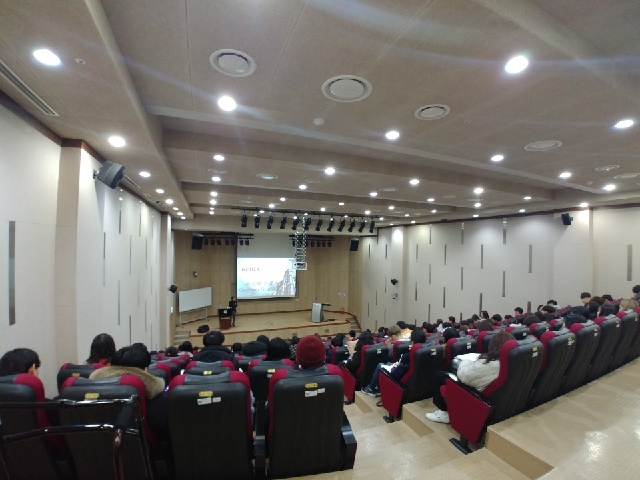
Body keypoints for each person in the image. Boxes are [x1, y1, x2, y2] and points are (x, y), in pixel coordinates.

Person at [426, 331, 516, 424]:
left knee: (439, 376)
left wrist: (465, 361)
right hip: (491, 394)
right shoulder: (511, 362)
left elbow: (464, 376)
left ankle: (443, 413)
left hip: (475, 393)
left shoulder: (491, 364)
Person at [361, 328, 426, 397]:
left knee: (380, 365)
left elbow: (397, 372)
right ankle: (377, 386)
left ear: (412, 342)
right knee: (387, 363)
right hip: (407, 374)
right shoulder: (423, 353)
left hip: (397, 375)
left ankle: (371, 388)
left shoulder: (408, 356)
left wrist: (395, 366)